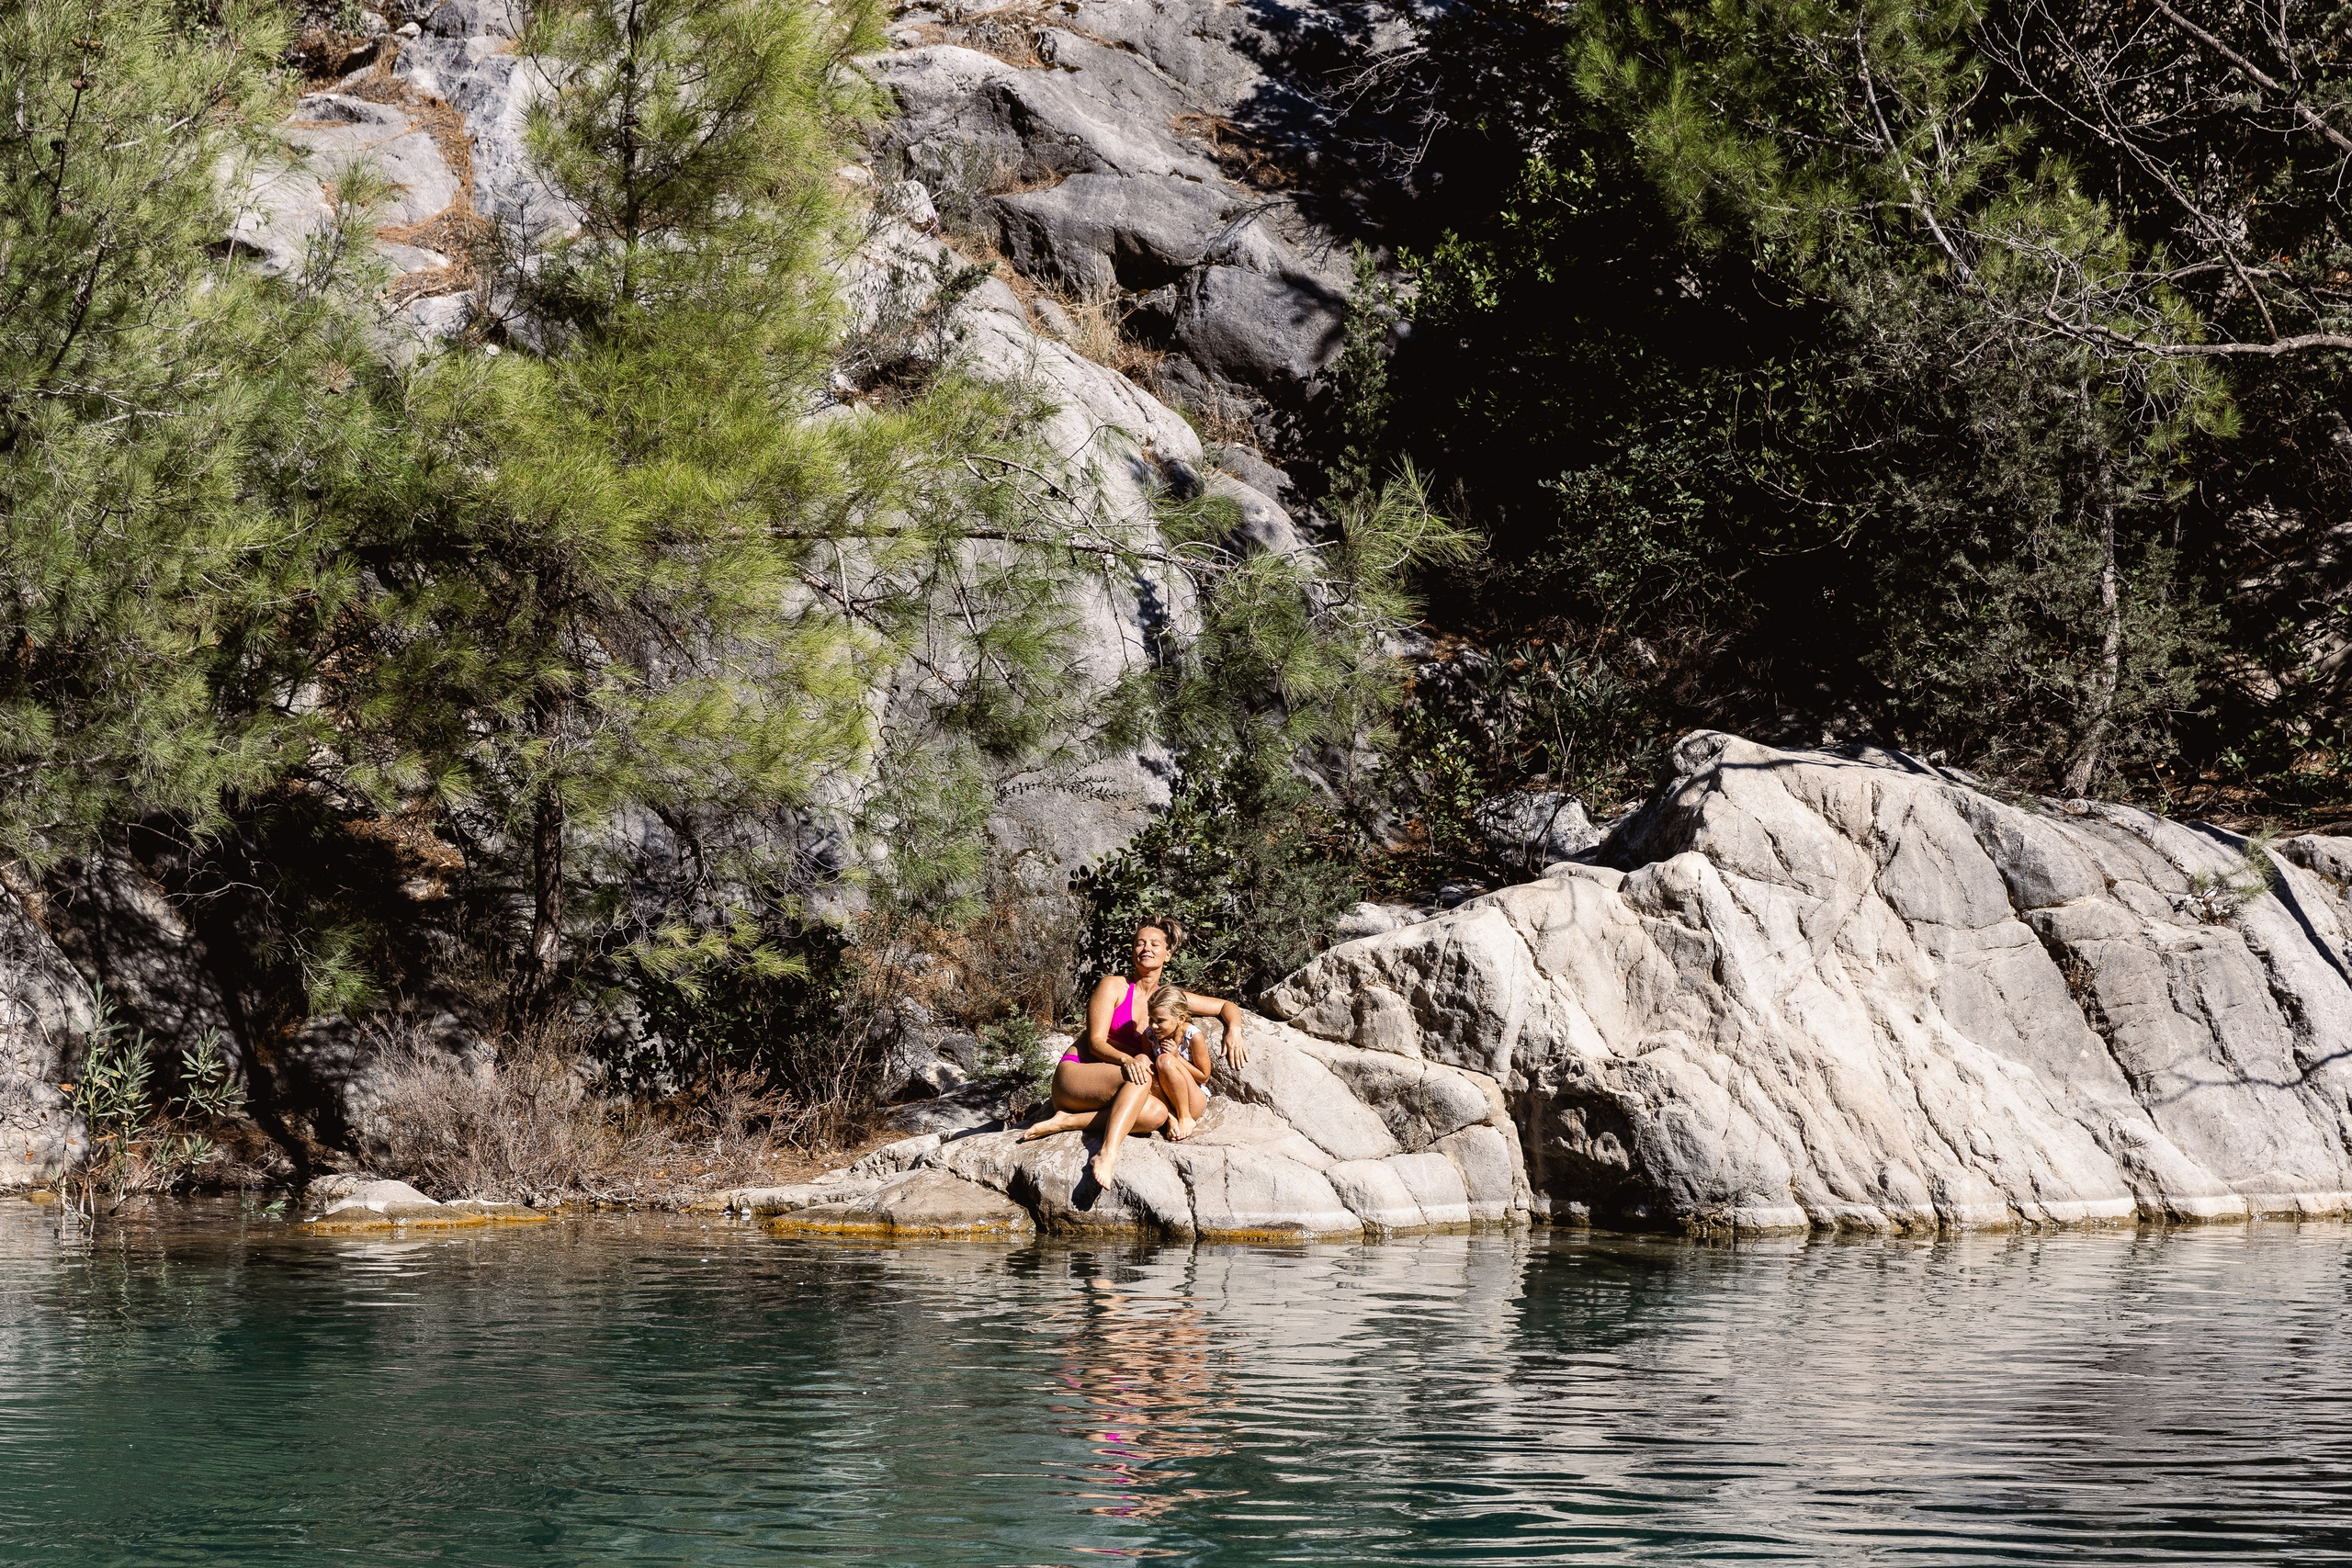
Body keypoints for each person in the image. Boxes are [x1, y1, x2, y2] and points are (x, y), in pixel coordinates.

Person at [1020, 914, 1250, 1188]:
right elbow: (1096, 1042)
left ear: (1168, 954)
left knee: (1154, 1115)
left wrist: (1234, 1029)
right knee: (1142, 1067)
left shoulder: (1169, 1000)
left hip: (1125, 1085)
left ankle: (1067, 1122)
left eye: (1155, 944)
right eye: (1140, 944)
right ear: (1133, 952)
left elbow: (1226, 1006)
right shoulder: (1113, 986)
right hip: (1078, 1076)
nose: (1146, 949)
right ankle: (1107, 1152)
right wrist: (1128, 1059)